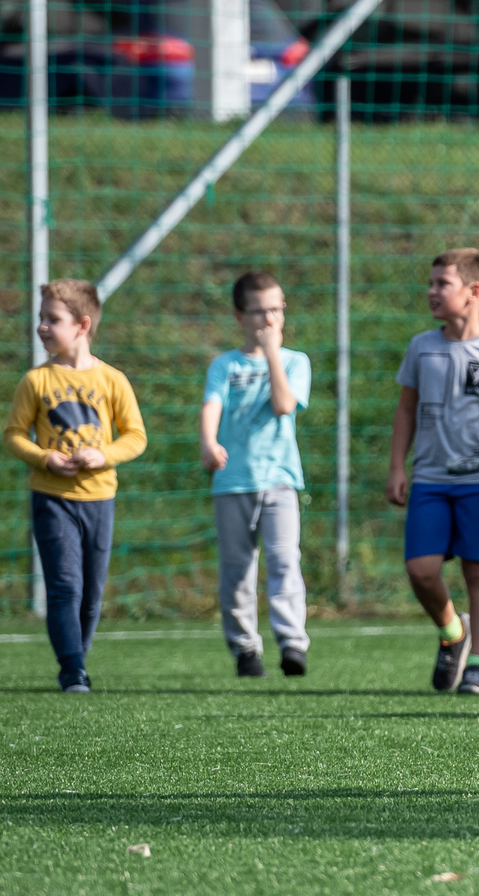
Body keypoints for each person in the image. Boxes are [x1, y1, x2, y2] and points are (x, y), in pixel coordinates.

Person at [386, 249, 479, 697]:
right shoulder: (422, 347)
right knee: (421, 570)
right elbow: (405, 410)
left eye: (442, 283)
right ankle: (453, 631)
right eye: (431, 283)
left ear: (474, 291)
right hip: (430, 481)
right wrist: (397, 466)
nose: (431, 291)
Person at [3, 279, 146, 693]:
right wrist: (43, 457)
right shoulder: (36, 381)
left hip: (100, 499)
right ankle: (72, 670)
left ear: (82, 325)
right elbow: (14, 435)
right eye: (41, 318)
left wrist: (104, 455)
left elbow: (135, 436)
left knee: (91, 594)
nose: (42, 327)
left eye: (53, 319)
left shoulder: (113, 380)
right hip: (52, 499)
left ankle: (78, 656)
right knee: (65, 586)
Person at [199, 271, 313, 678]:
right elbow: (212, 404)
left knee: (284, 561)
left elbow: (284, 405)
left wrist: (271, 355)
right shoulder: (225, 364)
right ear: (239, 316)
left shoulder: (295, 361)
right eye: (260, 311)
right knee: (237, 571)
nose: (269, 319)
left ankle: (292, 644)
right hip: (234, 482)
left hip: (279, 481)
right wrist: (208, 442)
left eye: (276, 309)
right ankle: (245, 648)